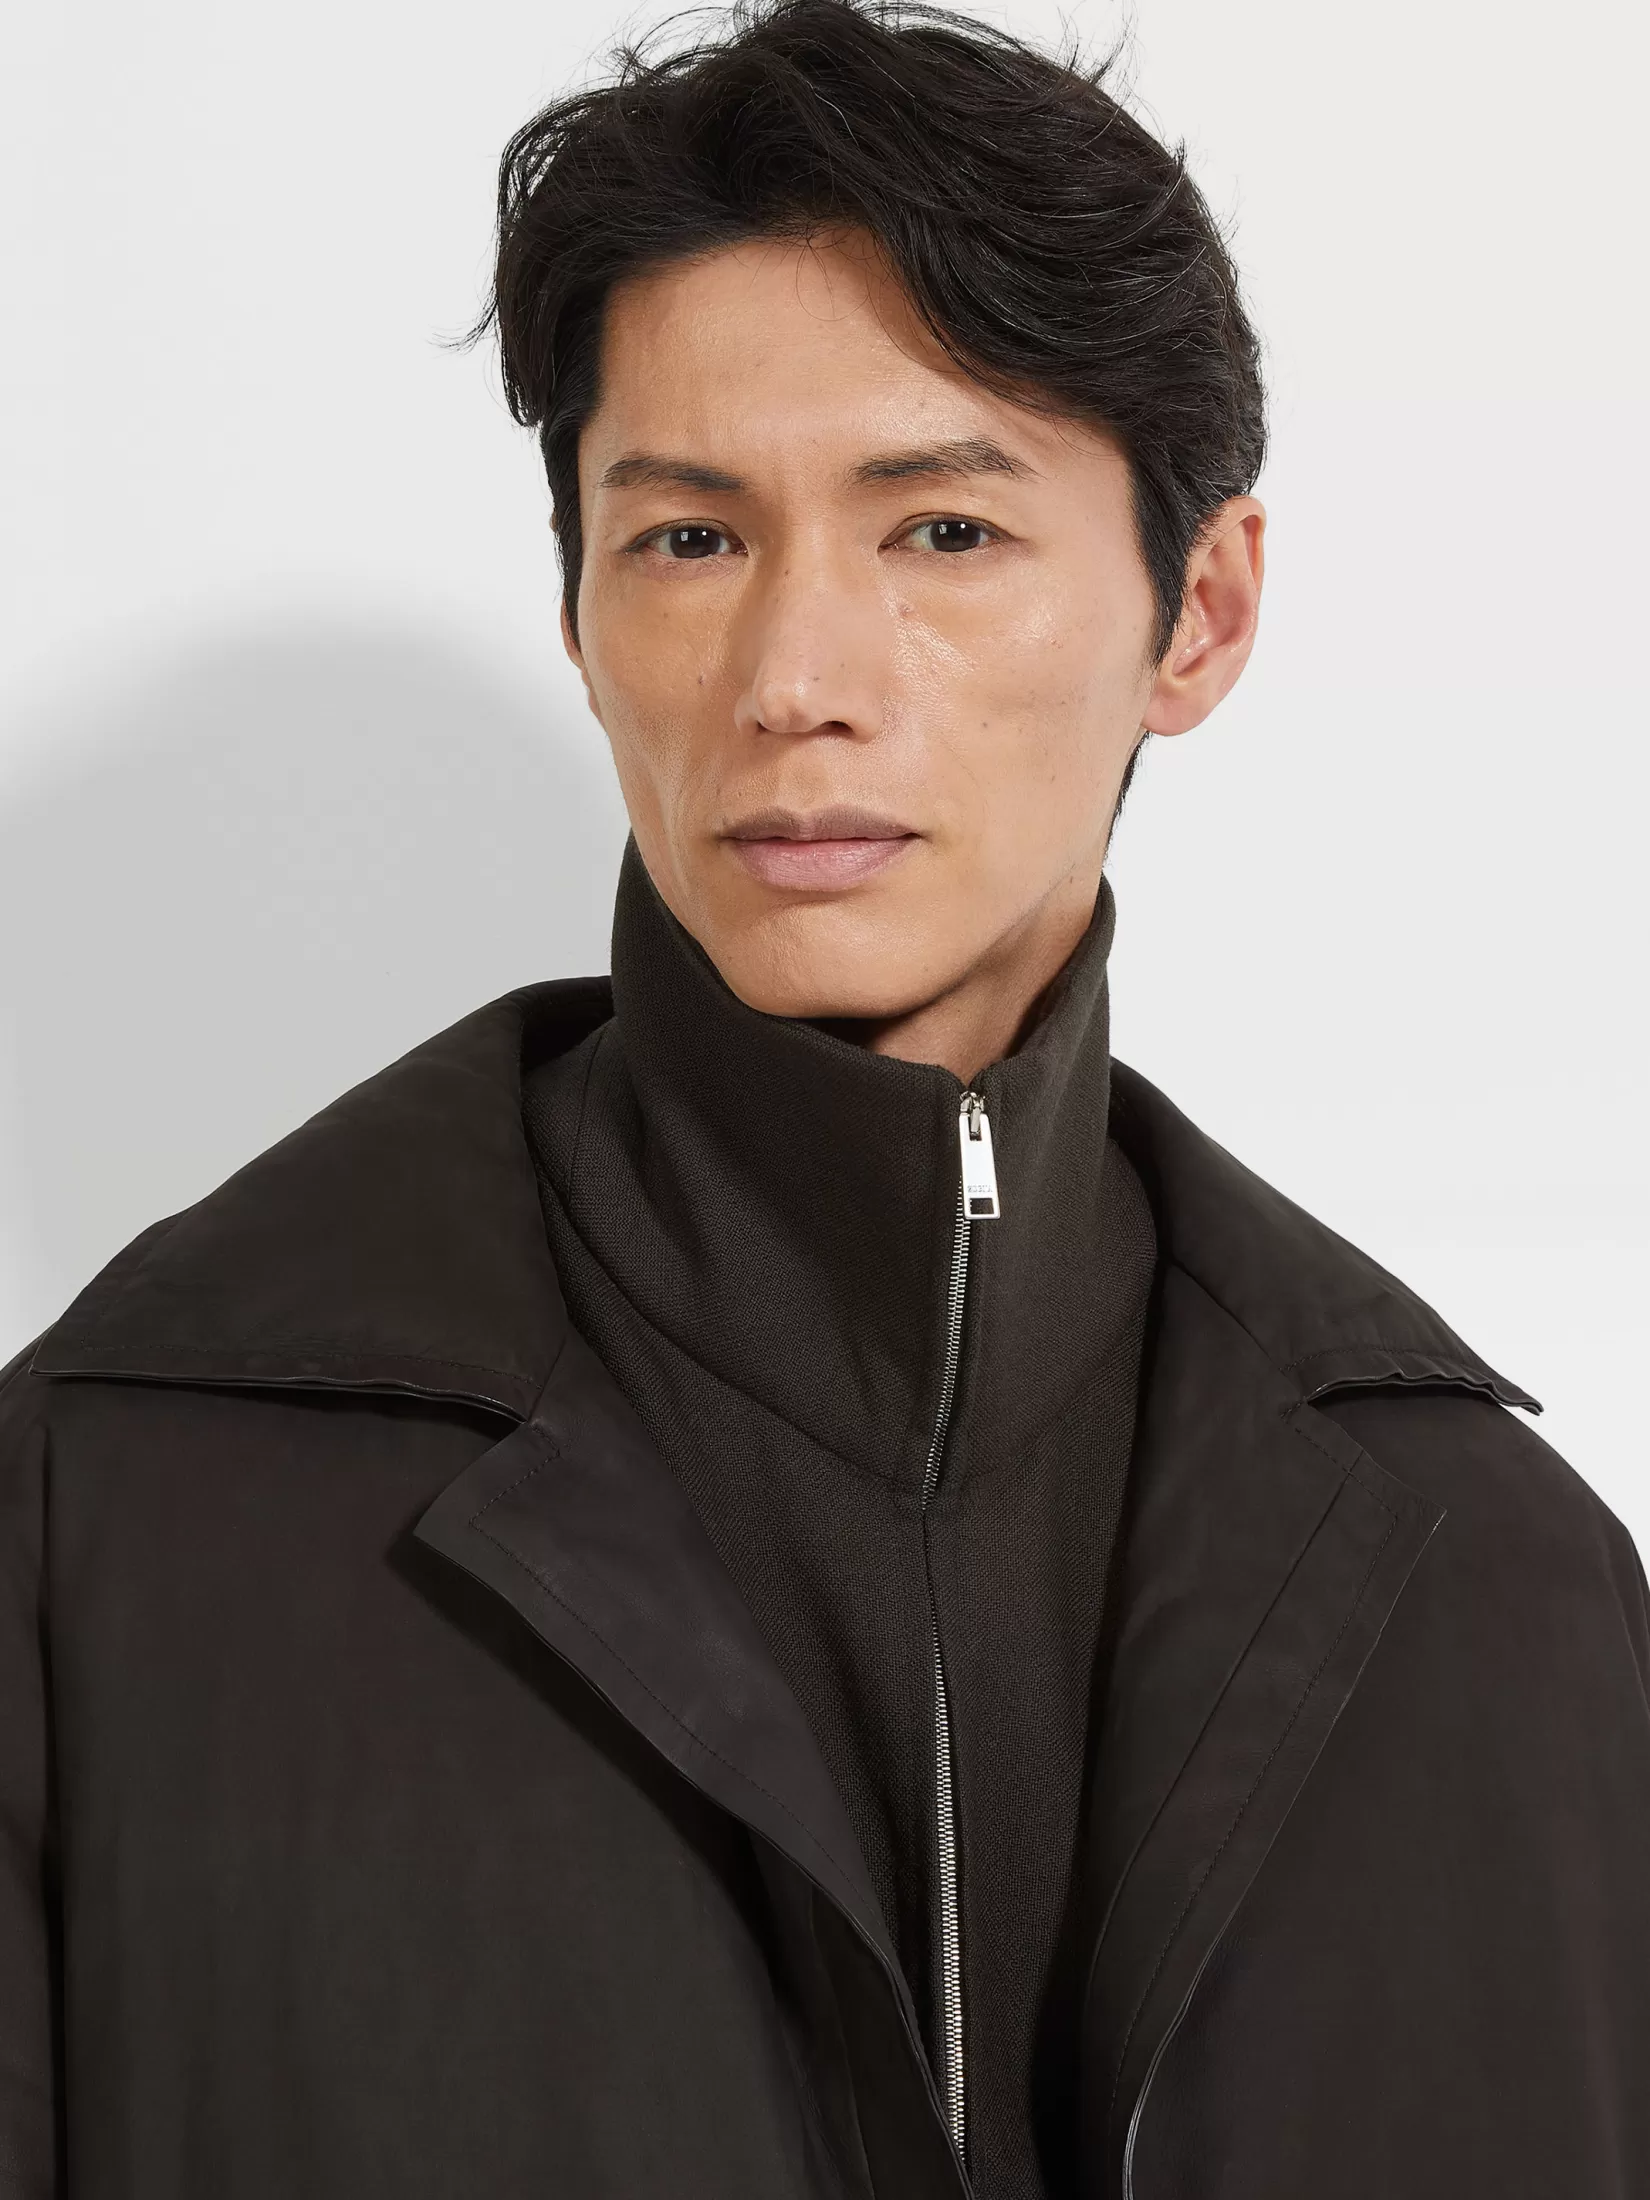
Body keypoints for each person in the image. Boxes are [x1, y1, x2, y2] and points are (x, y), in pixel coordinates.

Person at [3, 0, 1646, 2192]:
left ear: (1199, 611)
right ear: (579, 613)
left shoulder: (1509, 1595)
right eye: (689, 540)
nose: (793, 682)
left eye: (942, 533)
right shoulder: (108, 1515)